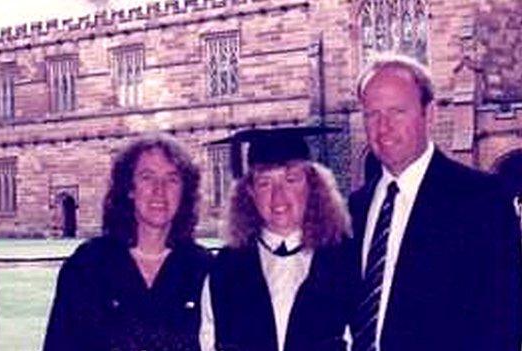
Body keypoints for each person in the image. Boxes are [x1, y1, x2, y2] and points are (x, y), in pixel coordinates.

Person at [349, 53, 522, 351]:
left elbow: (503, 323)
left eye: (397, 112)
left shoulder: (482, 201)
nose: (383, 127)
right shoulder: (355, 207)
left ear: (430, 115)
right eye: (372, 114)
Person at [43, 134, 212, 351]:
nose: (159, 190)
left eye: (172, 179)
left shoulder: (203, 268)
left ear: (184, 192)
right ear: (130, 188)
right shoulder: (88, 265)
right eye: (147, 177)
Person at [199, 127, 357, 351]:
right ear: (250, 193)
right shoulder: (225, 269)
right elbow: (208, 343)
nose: (278, 197)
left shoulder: (344, 261)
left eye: (291, 180)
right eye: (265, 183)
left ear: (312, 186)